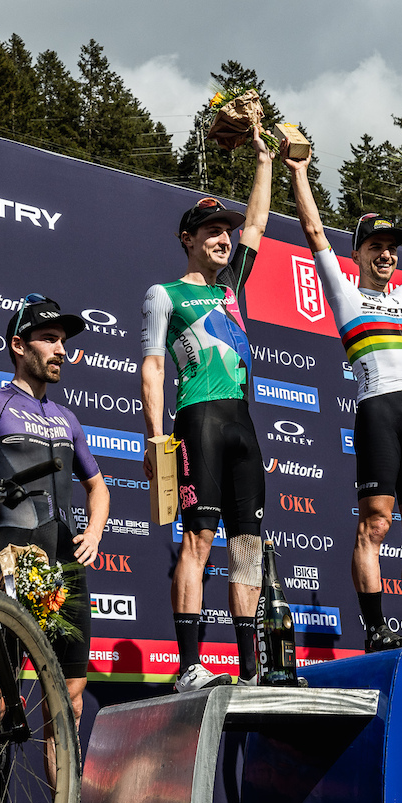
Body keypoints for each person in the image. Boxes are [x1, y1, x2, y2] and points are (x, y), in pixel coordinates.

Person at [0, 296, 125, 803]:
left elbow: (99, 487)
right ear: (19, 345)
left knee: (68, 704)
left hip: (64, 565)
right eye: (49, 338)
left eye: (64, 339)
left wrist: (95, 531)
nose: (62, 349)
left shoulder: (69, 419)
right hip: (16, 556)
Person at [287, 155, 402, 650]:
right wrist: (301, 174)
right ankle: (376, 628)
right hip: (378, 412)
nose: (387, 256)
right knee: (377, 524)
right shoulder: (343, 292)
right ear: (359, 254)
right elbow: (313, 229)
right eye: (377, 248)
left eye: (391, 250)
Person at [140, 121, 274, 691]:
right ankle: (191, 664)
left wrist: (265, 156)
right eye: (211, 231)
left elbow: (261, 223)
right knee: (197, 539)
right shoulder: (164, 294)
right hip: (198, 418)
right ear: (187, 239)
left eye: (226, 231)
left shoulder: (230, 289)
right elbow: (152, 366)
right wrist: (153, 438)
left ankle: (249, 665)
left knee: (247, 544)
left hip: (243, 423)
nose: (224, 238)